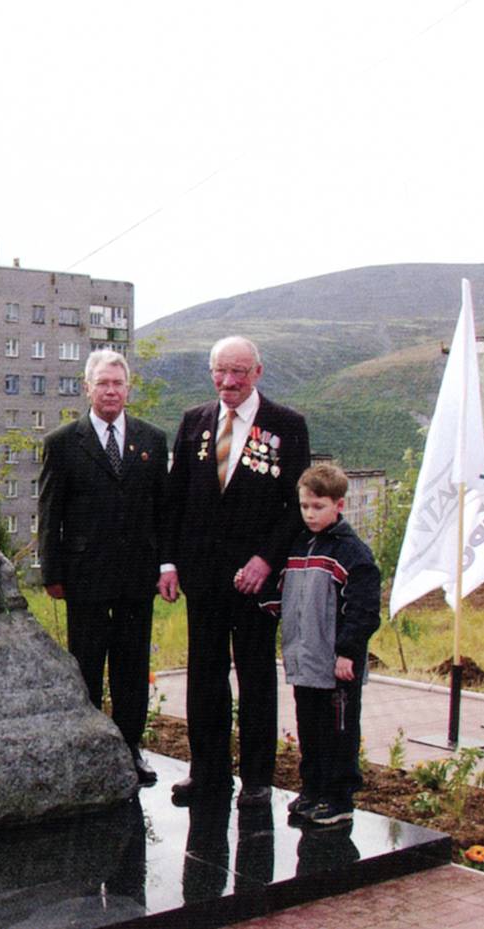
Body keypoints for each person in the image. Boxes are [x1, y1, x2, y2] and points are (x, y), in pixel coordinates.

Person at [159, 336, 310, 807]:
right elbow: (175, 499)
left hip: (255, 580)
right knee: (204, 677)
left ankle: (258, 778)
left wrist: (267, 558)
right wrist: (169, 561)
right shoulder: (195, 422)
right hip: (203, 576)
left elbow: (295, 508)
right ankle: (207, 773)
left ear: (258, 373)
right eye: (220, 372)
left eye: (239, 372)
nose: (228, 381)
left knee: (255, 676)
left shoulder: (287, 426)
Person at [38, 349, 169, 786]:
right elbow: (50, 511)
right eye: (103, 383)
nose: (111, 390)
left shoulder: (152, 440)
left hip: (136, 575)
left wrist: (166, 563)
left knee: (132, 666)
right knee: (87, 663)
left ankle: (130, 747)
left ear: (127, 388)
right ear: (87, 387)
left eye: (118, 383)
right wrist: (51, 573)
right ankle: (91, 747)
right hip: (84, 576)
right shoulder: (62, 442)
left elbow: (162, 508)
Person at [262, 463, 381, 825]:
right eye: (304, 506)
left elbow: (363, 610)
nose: (310, 514)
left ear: (339, 506)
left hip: (336, 665)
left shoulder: (352, 553)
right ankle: (312, 789)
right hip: (305, 659)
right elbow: (284, 592)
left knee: (339, 732)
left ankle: (339, 798)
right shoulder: (299, 545)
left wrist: (348, 651)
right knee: (309, 729)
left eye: (318, 506)